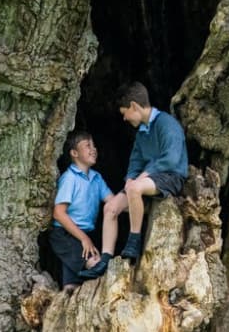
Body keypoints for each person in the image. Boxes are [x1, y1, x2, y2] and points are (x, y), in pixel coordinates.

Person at [79, 82, 188, 279]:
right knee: (110, 207)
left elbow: (171, 158)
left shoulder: (166, 123)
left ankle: (134, 239)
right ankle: (104, 259)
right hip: (146, 181)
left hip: (170, 177)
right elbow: (135, 161)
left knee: (135, 188)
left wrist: (143, 176)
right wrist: (130, 178)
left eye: (125, 112)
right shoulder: (142, 133)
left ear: (134, 106)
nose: (124, 117)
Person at [50, 131, 115, 291]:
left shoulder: (96, 178)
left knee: (71, 286)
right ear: (74, 153)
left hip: (84, 234)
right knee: (96, 263)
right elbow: (59, 213)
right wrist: (84, 238)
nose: (93, 149)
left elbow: (114, 203)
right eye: (87, 146)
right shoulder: (69, 178)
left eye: (94, 145)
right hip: (64, 234)